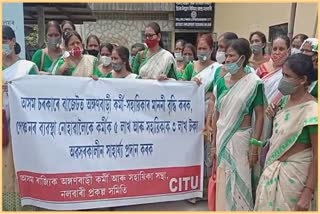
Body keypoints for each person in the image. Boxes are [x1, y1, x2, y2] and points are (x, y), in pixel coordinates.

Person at [254, 53, 317, 211]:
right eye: (282, 74)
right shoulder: (282, 102)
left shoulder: (313, 111)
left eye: (287, 76)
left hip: (295, 179)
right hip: (273, 172)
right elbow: (278, 137)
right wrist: (274, 115)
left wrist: (308, 192)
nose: (282, 80)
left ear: (302, 80)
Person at [212, 38, 265, 211]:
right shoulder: (220, 83)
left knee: (240, 179)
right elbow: (217, 113)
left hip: (242, 139)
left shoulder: (253, 83)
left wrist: (254, 146)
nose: (227, 59)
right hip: (222, 137)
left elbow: (260, 115)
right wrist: (213, 144)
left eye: (231, 56)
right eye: (226, 55)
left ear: (242, 59)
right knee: (224, 179)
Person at [2, 25, 39, 211]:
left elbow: (37, 97)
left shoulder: (27, 68)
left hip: (23, 133)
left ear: (13, 41)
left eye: (4, 40)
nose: (2, 45)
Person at [183, 34, 221, 204]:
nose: (201, 51)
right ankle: (192, 189)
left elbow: (219, 91)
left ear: (211, 50)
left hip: (209, 115)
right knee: (193, 150)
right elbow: (180, 88)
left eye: (205, 48)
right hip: (191, 116)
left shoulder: (218, 69)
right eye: (199, 48)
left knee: (207, 150)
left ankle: (206, 189)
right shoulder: (190, 67)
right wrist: (192, 85)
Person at [256, 35, 290, 104]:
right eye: (274, 49)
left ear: (288, 51)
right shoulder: (262, 68)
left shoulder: (290, 72)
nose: (277, 52)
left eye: (281, 49)